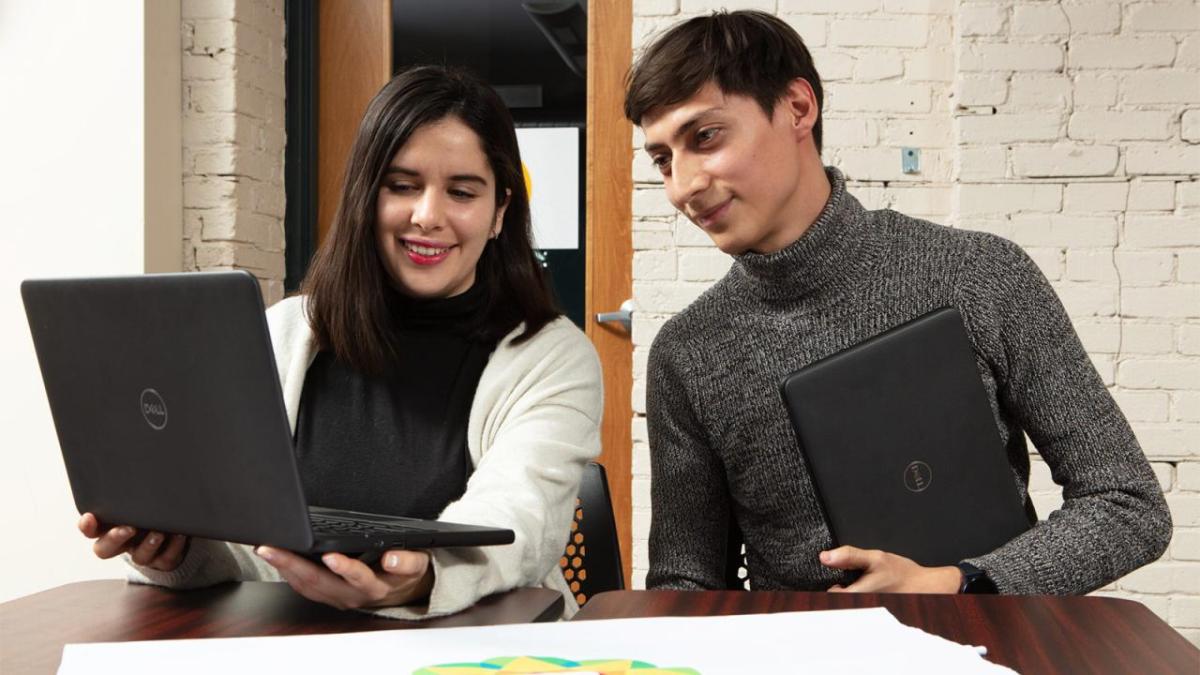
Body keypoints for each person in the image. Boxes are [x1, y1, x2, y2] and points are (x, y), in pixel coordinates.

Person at [628, 10, 1171, 595]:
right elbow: (685, 581)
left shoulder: (981, 275)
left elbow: (1127, 504)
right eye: (663, 160)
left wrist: (960, 583)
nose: (681, 187)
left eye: (704, 137)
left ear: (797, 109)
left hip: (981, 639)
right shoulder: (687, 352)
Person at [76, 65, 603, 619]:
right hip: (288, 647)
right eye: (402, 186)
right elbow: (243, 543)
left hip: (479, 650)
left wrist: (423, 576)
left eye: (462, 192)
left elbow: (517, 515)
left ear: (499, 212)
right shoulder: (283, 334)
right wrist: (176, 552)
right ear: (365, 197)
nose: (427, 216)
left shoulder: (552, 357)